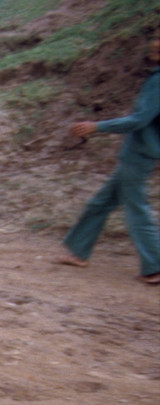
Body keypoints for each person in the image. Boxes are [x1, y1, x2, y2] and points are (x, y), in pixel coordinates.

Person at [57, 31, 160, 285]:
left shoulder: (158, 82)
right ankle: (79, 252)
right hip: (139, 152)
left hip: (140, 153)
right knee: (100, 204)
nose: (153, 49)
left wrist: (97, 127)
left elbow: (140, 119)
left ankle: (155, 267)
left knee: (137, 210)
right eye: (154, 45)